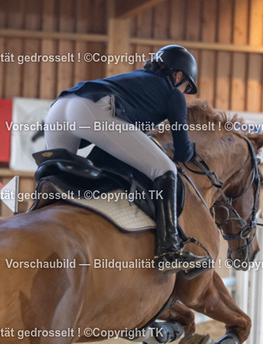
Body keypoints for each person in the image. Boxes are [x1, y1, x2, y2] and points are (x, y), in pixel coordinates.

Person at [45, 45, 208, 273]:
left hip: (58, 109)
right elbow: (182, 153)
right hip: (92, 110)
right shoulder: (173, 94)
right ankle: (169, 251)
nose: (184, 91)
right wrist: (193, 151)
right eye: (186, 86)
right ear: (178, 75)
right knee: (166, 169)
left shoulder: (135, 81)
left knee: (56, 176)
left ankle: (36, 212)